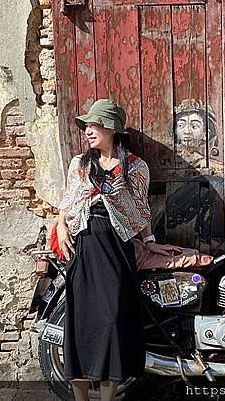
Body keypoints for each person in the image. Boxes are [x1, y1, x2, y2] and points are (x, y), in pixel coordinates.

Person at [56, 98, 184, 401]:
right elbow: (68, 201)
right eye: (86, 126)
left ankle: (108, 397)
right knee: (81, 324)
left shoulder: (135, 167)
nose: (88, 131)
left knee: (113, 319)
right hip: (84, 245)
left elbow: (140, 210)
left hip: (116, 248)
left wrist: (151, 244)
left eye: (94, 125)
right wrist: (61, 226)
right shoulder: (80, 164)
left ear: (111, 128)